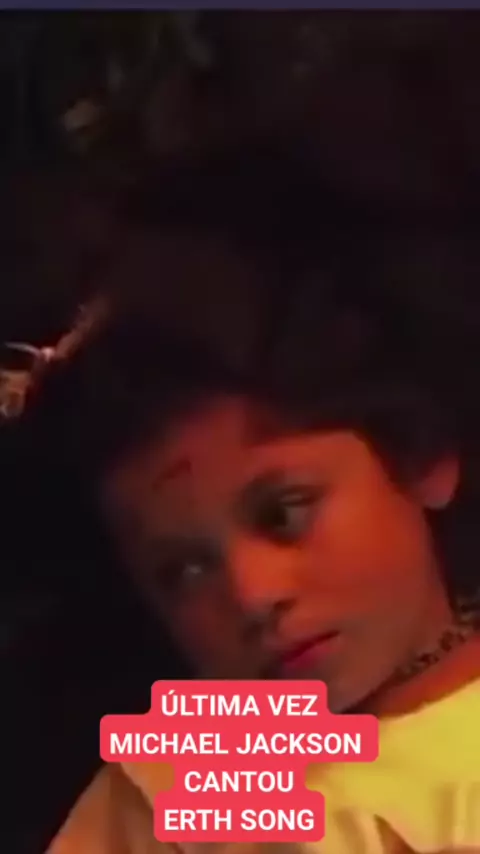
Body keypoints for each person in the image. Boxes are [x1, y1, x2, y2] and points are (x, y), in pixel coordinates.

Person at [12, 147, 480, 853]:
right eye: (183, 571)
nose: (252, 593)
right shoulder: (196, 769)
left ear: (421, 457)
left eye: (285, 513)